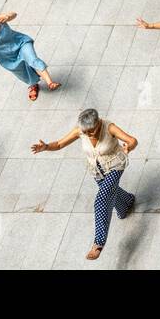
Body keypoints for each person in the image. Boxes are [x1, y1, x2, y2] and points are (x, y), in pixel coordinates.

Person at [32, 108, 138, 260]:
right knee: (111, 192)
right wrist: (46, 147)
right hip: (97, 171)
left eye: (92, 131)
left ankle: (98, 243)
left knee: (101, 199)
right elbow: (60, 144)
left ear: (98, 122)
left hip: (115, 166)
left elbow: (132, 140)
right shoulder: (81, 131)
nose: (88, 134)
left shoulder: (109, 127)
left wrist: (129, 147)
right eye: (86, 132)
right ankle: (127, 202)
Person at [0, 7, 61, 101]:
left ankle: (50, 83)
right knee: (22, 71)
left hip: (20, 43)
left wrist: (8, 17)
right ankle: (33, 85)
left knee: (32, 59)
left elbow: (14, 14)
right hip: (6, 56)